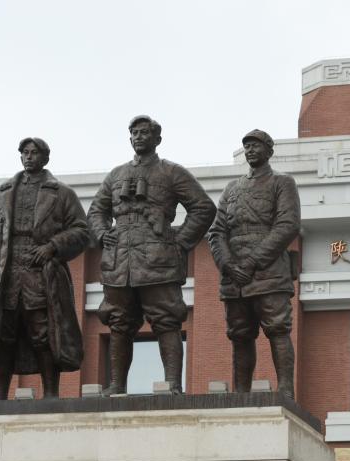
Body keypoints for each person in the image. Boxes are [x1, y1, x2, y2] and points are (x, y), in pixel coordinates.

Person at [88, 115, 215, 395]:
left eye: (145, 132)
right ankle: (116, 385)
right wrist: (101, 233)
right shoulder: (116, 175)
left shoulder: (171, 172)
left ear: (157, 138)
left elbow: (203, 208)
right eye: (134, 133)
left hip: (158, 258)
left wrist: (179, 241)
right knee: (119, 322)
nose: (139, 137)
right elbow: (96, 210)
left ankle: (172, 384)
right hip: (119, 261)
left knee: (166, 319)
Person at [0, 137, 89, 399]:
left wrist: (52, 247)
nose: (29, 156)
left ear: (46, 158)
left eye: (35, 152)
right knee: (2, 334)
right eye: (25, 152)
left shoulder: (62, 193)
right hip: (5, 278)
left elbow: (81, 231)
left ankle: (51, 394)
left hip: (42, 276)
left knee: (44, 334)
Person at [207, 129, 300, 399]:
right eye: (246, 146)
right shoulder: (232, 189)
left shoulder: (282, 183)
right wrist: (227, 264)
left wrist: (252, 261)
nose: (250, 150)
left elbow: (287, 225)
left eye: (256, 145)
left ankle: (285, 389)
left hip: (269, 271)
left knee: (277, 329)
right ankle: (241, 392)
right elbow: (216, 232)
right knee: (240, 334)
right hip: (234, 277)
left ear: (269, 151)